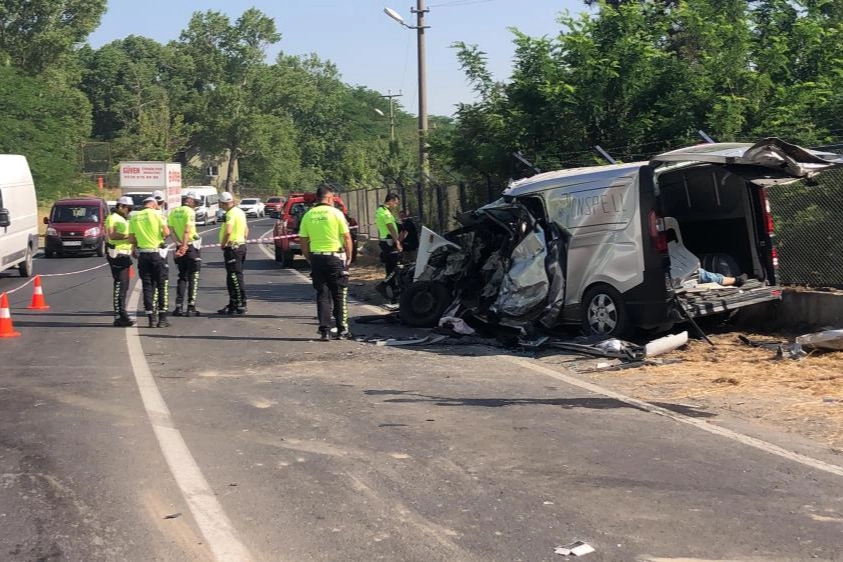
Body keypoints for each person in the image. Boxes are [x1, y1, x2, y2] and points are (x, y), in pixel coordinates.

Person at [299, 185, 354, 341]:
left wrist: (308, 257)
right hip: (335, 257)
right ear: (330, 198)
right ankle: (342, 329)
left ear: (317, 198)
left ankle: (325, 331)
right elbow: (347, 237)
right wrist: (349, 257)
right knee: (339, 293)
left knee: (322, 295)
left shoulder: (308, 215)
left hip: (317, 257)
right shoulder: (336, 213)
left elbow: (303, 239)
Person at [129, 196, 171, 328]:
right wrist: (160, 237)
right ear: (153, 204)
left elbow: (131, 238)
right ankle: (162, 319)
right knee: (161, 285)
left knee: (147, 286)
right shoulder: (157, 214)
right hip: (156, 253)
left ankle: (151, 319)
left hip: (143, 255)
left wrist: (135, 247)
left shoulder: (134, 216)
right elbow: (166, 232)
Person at [169, 190, 202, 317]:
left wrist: (178, 244)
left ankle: (178, 307)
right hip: (190, 246)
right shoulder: (189, 212)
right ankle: (190, 307)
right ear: (190, 200)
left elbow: (171, 230)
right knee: (193, 276)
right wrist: (184, 245)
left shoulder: (174, 211)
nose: (196, 205)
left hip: (179, 245)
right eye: (196, 202)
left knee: (182, 276)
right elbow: (187, 231)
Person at [105, 196, 135, 327]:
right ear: (120, 206)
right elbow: (111, 234)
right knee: (120, 285)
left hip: (125, 254)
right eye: (128, 208)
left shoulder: (124, 219)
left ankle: (123, 313)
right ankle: (119, 315)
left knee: (125, 286)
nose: (129, 211)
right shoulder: (112, 218)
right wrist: (128, 236)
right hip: (117, 254)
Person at [217, 191, 248, 314]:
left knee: (234, 277)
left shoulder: (230, 214)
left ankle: (240, 304)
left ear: (223, 203)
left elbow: (228, 231)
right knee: (234, 276)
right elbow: (246, 229)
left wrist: (224, 244)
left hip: (232, 248)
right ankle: (234, 303)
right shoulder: (240, 212)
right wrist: (242, 240)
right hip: (240, 246)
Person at [374, 193, 402, 301]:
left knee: (390, 267)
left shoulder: (380, 210)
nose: (395, 205)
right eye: (395, 202)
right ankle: (384, 285)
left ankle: (393, 290)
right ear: (390, 200)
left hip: (385, 241)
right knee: (396, 266)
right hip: (389, 241)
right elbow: (390, 227)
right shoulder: (385, 212)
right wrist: (398, 242)